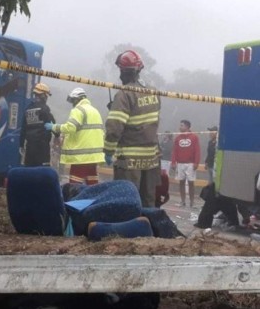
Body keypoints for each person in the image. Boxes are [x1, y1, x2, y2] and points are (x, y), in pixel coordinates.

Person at [104, 50, 161, 208]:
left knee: (127, 202)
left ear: (122, 71)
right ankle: (148, 231)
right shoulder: (153, 91)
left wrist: (108, 151)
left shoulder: (124, 94)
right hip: (151, 158)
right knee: (148, 202)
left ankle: (128, 232)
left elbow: (114, 128)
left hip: (129, 161)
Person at [45, 87, 104, 184]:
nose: (72, 104)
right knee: (92, 184)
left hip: (81, 157)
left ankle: (75, 199)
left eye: (73, 101)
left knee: (74, 185)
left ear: (77, 99)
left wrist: (54, 127)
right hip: (93, 157)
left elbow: (70, 127)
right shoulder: (95, 111)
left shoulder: (78, 110)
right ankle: (93, 199)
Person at [19, 82, 56, 166]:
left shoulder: (28, 109)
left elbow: (23, 129)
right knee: (42, 175)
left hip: (29, 150)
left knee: (29, 174)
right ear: (43, 96)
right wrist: (57, 134)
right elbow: (52, 125)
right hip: (42, 150)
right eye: (46, 96)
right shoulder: (44, 109)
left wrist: (21, 145)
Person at [170, 120, 201, 208]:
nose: (180, 127)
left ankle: (192, 201)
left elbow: (197, 150)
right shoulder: (177, 138)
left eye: (182, 126)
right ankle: (183, 201)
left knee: (191, 183)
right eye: (180, 125)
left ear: (187, 127)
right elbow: (174, 151)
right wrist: (173, 162)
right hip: (180, 164)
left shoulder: (194, 137)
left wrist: (196, 162)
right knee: (181, 182)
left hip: (190, 164)